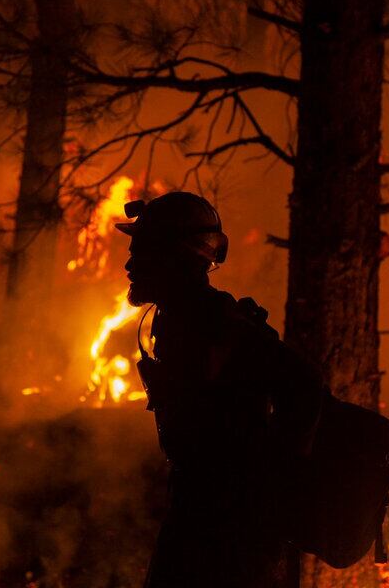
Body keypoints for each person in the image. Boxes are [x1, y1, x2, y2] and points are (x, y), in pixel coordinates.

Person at [115, 191, 323, 588]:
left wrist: (269, 485)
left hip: (232, 531)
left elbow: (305, 384)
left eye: (141, 251)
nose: (130, 264)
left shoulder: (216, 322)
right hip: (200, 513)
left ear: (176, 256)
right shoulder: (179, 319)